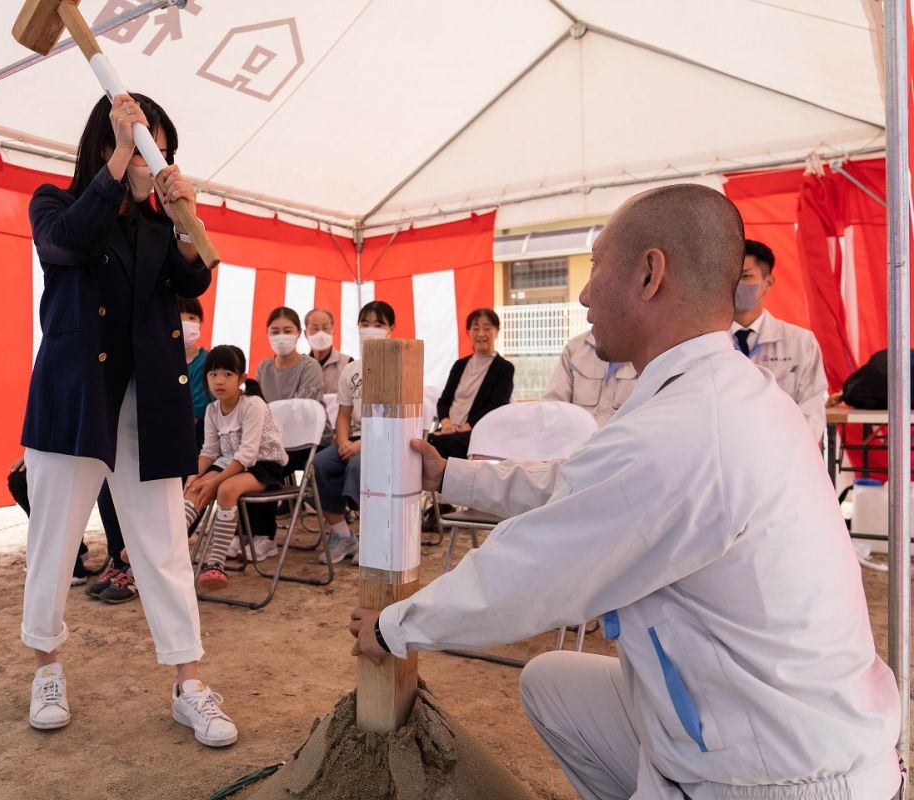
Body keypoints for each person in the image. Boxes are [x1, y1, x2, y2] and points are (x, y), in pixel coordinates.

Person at [349, 184, 900, 800]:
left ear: (648, 273)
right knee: (553, 682)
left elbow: (534, 569)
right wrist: (452, 477)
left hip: (776, 775)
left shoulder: (690, 426)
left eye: (596, 265)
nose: (584, 294)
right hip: (768, 720)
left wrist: (394, 627)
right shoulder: (711, 392)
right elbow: (581, 487)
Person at [19, 91, 236, 747]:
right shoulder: (55, 204)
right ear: (109, 143)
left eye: (161, 145)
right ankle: (47, 669)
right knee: (53, 544)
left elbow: (193, 278)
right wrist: (119, 161)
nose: (155, 156)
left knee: (164, 549)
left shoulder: (154, 224)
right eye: (146, 142)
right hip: (74, 400)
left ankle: (188, 683)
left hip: (149, 407)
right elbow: (65, 245)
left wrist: (181, 214)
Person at [185, 345, 288, 589]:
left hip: (264, 464)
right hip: (231, 462)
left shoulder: (252, 404)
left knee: (225, 490)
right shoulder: (211, 410)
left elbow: (249, 454)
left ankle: (216, 565)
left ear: (241, 378)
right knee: (192, 488)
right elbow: (209, 451)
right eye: (213, 374)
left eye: (227, 374)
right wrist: (195, 475)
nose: (219, 380)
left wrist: (215, 480)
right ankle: (164, 548)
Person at [313, 301, 395, 565]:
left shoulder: (399, 365)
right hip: (356, 439)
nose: (370, 329)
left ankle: (374, 537)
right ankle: (343, 534)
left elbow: (395, 420)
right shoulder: (351, 369)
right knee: (320, 464)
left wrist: (362, 446)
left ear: (391, 329)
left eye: (378, 324)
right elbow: (344, 414)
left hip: (389, 440)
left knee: (359, 466)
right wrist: (343, 441)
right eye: (365, 324)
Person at [731, 239, 828, 443]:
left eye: (746, 276)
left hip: (782, 453)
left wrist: (790, 451)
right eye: (731, 277)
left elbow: (812, 405)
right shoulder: (705, 340)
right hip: (725, 456)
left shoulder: (800, 342)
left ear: (768, 282)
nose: (737, 284)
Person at [8, 456, 138, 602]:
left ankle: (130, 565)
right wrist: (37, 453)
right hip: (81, 452)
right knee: (19, 479)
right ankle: (74, 552)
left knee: (108, 481)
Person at [426, 308, 515, 459]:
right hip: (449, 430)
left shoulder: (504, 368)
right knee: (423, 442)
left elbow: (498, 405)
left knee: (436, 444)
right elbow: (444, 400)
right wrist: (446, 423)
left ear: (496, 332)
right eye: (475, 328)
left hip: (478, 432)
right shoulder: (459, 365)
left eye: (487, 328)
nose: (481, 334)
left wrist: (466, 426)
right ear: (468, 332)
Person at [543, 329, 638, 427]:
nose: (589, 317)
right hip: (580, 440)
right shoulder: (574, 348)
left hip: (624, 441)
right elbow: (553, 408)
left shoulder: (645, 352)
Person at [255, 306, 323, 403]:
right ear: (267, 333)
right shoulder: (263, 367)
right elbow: (255, 405)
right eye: (275, 332)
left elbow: (303, 409)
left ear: (299, 332)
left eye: (287, 331)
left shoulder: (310, 367)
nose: (281, 336)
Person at [180, 297, 210, 448]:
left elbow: (197, 411)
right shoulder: (159, 360)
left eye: (192, 318)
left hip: (195, 442)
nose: (185, 323)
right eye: (178, 316)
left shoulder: (207, 362)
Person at [304, 308, 353, 396]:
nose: (320, 333)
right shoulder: (301, 365)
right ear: (305, 333)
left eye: (325, 328)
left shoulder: (347, 363)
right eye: (315, 328)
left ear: (333, 331)